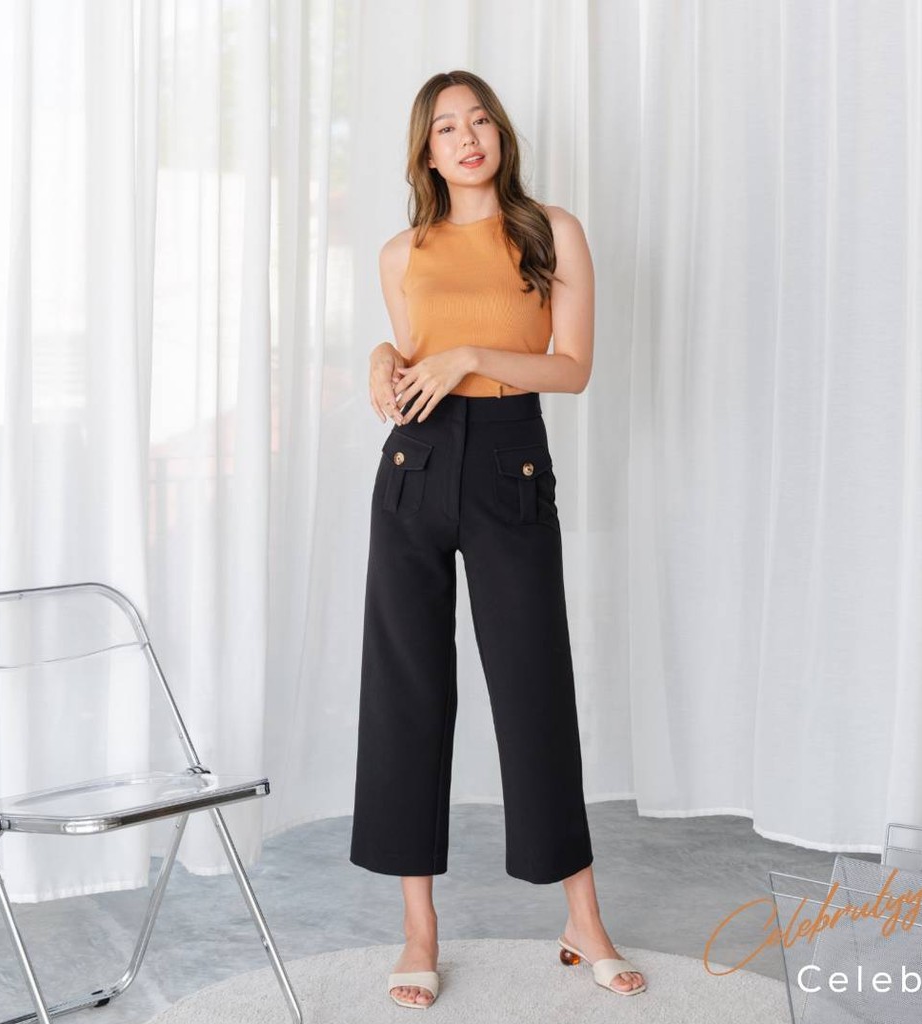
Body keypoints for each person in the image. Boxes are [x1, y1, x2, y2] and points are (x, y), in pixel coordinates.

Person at [349, 69, 647, 1009]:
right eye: (447, 127)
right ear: (427, 152)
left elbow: (574, 367)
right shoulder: (401, 252)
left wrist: (475, 355)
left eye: (479, 120)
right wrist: (380, 358)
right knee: (406, 692)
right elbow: (411, 356)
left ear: (501, 135)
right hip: (416, 464)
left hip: (510, 463)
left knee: (533, 688)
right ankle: (419, 929)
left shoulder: (550, 232)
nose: (468, 137)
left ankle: (583, 919)